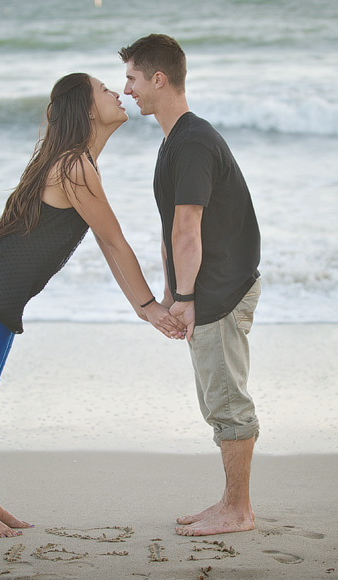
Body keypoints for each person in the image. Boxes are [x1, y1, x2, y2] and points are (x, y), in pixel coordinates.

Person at [0, 72, 186, 538]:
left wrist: (144, 307)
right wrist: (150, 307)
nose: (117, 93)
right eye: (104, 90)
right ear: (85, 107)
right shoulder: (75, 165)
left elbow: (105, 241)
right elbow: (115, 241)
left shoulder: (78, 162)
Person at [119, 34, 262, 536]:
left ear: (159, 79)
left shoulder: (193, 140)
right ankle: (229, 501)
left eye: (133, 78)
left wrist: (182, 299)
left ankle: (238, 511)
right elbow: (169, 231)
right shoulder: (175, 140)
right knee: (215, 401)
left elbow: (187, 229)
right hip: (204, 292)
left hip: (218, 292)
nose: (127, 89)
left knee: (226, 402)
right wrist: (169, 295)